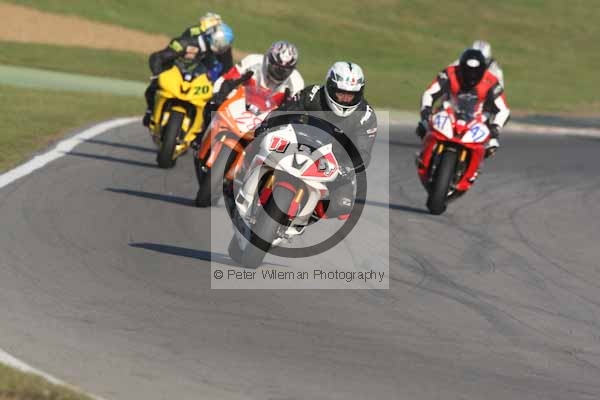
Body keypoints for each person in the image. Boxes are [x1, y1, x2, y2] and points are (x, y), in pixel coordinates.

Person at [238, 61, 378, 221]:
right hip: (298, 143)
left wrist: (346, 168)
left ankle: (306, 216)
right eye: (341, 93)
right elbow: (285, 111)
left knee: (342, 204)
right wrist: (267, 125)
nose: (345, 99)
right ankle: (246, 178)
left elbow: (363, 153)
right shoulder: (313, 94)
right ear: (330, 87)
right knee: (259, 140)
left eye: (351, 94)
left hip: (334, 162)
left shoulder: (365, 116)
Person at [142, 13, 235, 127]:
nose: (220, 48)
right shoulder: (189, 38)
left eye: (223, 47)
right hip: (177, 69)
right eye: (218, 45)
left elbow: (227, 70)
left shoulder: (223, 49)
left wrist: (222, 87)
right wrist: (158, 74)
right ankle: (150, 110)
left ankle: (203, 130)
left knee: (215, 104)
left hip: (201, 78)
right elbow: (160, 56)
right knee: (154, 86)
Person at [416, 48, 510, 158]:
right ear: (461, 67)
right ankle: (424, 156)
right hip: (448, 110)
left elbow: (503, 110)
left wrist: (495, 128)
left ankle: (474, 163)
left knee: (490, 145)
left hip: (477, 118)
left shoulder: (491, 82)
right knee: (424, 126)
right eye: (467, 70)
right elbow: (430, 93)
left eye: (476, 72)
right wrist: (426, 110)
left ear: (483, 70)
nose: (471, 75)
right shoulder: (450, 73)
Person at [197, 40, 305, 136]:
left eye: (285, 70)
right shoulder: (252, 61)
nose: (279, 73)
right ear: (268, 61)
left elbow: (295, 112)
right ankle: (201, 137)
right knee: (212, 104)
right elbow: (226, 79)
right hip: (239, 105)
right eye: (276, 67)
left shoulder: (297, 82)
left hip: (266, 120)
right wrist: (219, 95)